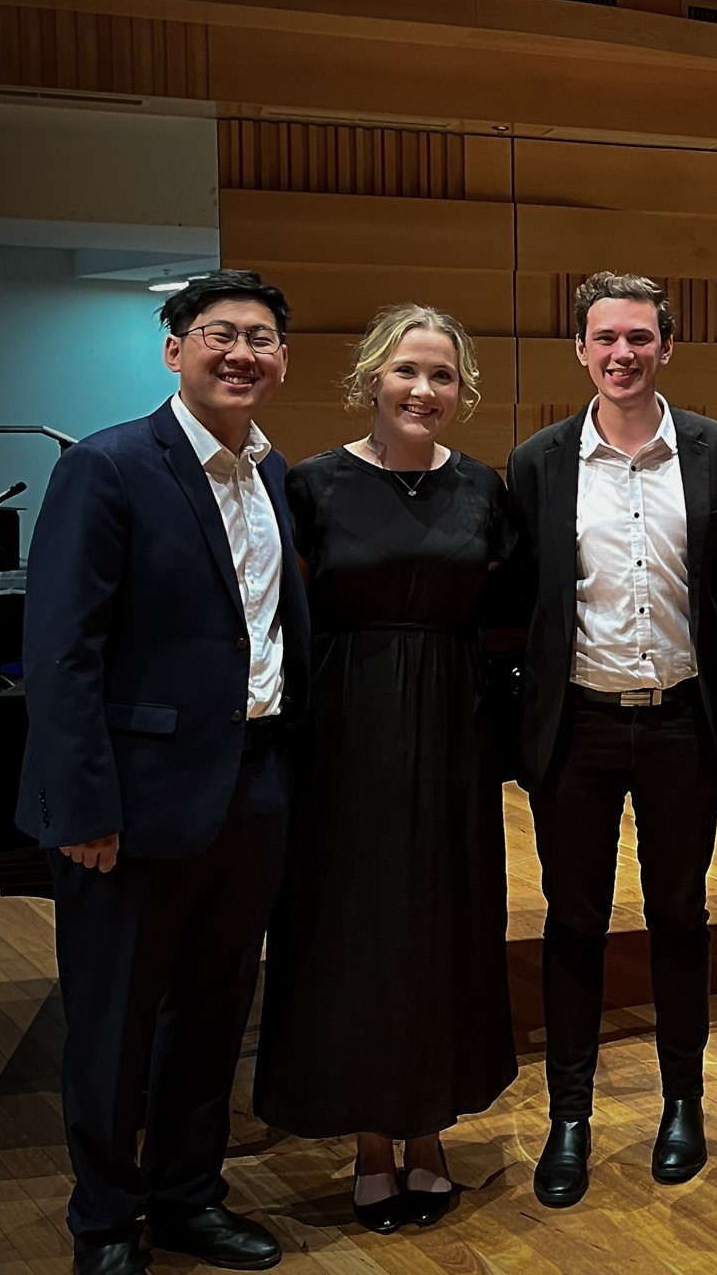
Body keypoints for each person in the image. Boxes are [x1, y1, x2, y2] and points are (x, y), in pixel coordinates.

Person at [19, 269, 308, 1275]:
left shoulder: (272, 474)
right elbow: (62, 654)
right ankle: (104, 1220)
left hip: (253, 784)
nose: (241, 353)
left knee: (216, 1007)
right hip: (132, 803)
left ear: (281, 359)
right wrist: (81, 806)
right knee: (113, 1020)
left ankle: (189, 1195)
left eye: (261, 338)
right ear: (174, 348)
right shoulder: (109, 467)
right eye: (219, 334)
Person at [253, 304, 517, 1232]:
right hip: (343, 730)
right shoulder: (312, 483)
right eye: (407, 371)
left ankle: (431, 1130)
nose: (423, 390)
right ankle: (371, 1140)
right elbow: (279, 609)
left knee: (444, 920)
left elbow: (512, 615)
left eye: (442, 376)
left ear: (462, 391)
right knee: (355, 927)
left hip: (451, 728)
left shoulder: (486, 488)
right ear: (372, 377)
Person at [504, 272, 717, 1206]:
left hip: (685, 721)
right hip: (580, 726)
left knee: (680, 916)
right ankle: (571, 1116)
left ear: (666, 347)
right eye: (605, 338)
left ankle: (683, 1101)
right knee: (573, 922)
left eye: (640, 337)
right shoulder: (539, 461)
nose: (622, 354)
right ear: (582, 350)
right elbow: (519, 600)